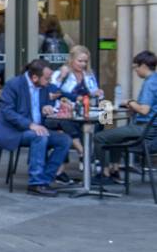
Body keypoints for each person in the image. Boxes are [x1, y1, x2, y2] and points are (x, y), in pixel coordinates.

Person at [0, 58, 71, 196]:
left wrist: (48, 107)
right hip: (14, 131)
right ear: (35, 77)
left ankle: (44, 180)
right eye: (47, 79)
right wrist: (30, 125)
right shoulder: (14, 85)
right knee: (39, 136)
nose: (49, 82)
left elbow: (47, 103)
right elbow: (7, 112)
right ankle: (35, 184)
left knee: (64, 140)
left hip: (37, 128)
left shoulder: (43, 87)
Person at [97, 50, 157, 182]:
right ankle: (115, 171)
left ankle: (105, 174)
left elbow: (145, 110)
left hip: (144, 129)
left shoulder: (150, 83)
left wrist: (128, 102)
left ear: (144, 66)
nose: (135, 71)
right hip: (150, 130)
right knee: (116, 137)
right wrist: (134, 106)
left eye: (135, 67)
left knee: (100, 137)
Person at [47, 45, 100, 173]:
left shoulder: (88, 74)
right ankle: (84, 153)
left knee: (102, 121)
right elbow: (52, 92)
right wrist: (61, 77)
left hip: (83, 111)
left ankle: (94, 157)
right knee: (68, 125)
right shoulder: (61, 73)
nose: (83, 64)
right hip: (61, 112)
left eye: (85, 61)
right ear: (71, 60)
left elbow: (93, 92)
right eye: (80, 61)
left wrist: (97, 93)